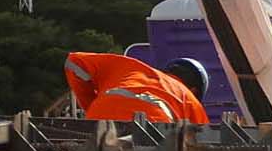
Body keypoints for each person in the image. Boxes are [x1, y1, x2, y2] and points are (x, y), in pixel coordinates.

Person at [65, 51, 211, 125]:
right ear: (194, 90)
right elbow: (203, 143)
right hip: (152, 131)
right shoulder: (189, 98)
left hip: (98, 123)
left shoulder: (131, 68)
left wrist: (91, 106)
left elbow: (74, 62)